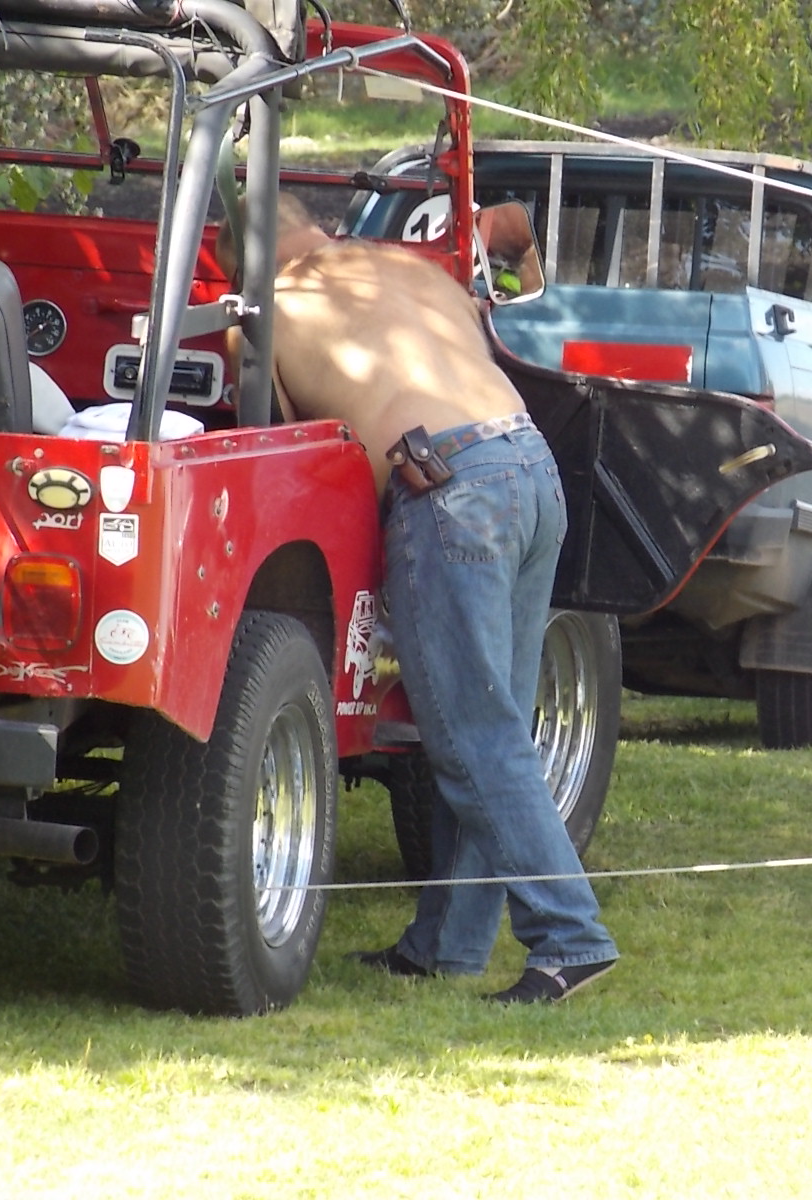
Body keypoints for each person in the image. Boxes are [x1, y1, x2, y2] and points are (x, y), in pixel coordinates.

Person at [217, 193, 618, 1004]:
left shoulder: (261, 314)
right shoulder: (402, 268)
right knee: (495, 725)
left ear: (237, 267)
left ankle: (570, 937)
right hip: (530, 465)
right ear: (308, 225)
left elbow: (294, 451)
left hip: (447, 485)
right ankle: (446, 946)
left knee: (473, 736)